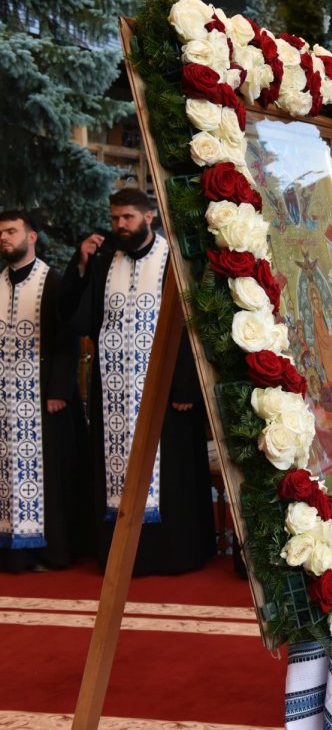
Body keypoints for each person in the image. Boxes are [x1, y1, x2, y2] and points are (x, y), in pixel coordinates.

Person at [60, 188, 214, 576]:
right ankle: (122, 556)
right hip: (113, 392)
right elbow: (79, 320)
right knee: (117, 467)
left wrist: (185, 386)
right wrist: (79, 264)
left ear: (149, 217)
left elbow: (193, 328)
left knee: (172, 475)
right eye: (115, 218)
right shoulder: (104, 262)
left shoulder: (173, 260)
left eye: (127, 217)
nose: (119, 226)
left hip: (165, 389)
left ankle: (173, 555)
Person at [0, 211, 85, 573]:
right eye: (1, 233)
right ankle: (11, 552)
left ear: (31, 237)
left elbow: (67, 339)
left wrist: (58, 389)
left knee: (48, 475)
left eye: (11, 231)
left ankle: (50, 552)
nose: (4, 237)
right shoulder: (0, 281)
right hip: (4, 400)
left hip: (42, 399)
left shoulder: (51, 280)